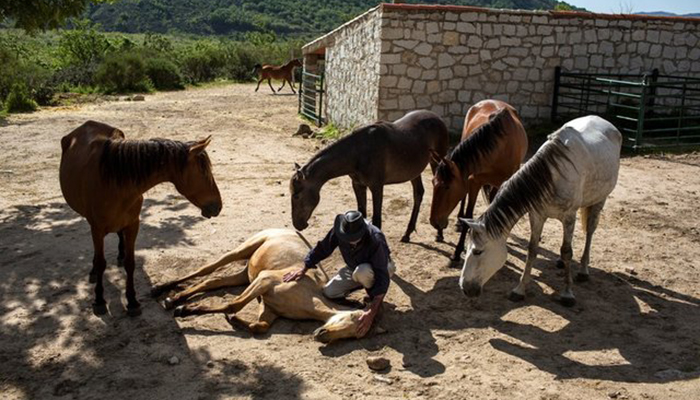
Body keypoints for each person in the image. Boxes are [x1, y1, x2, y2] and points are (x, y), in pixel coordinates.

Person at [284, 210, 395, 337]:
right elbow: (323, 247)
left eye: (355, 239)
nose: (351, 241)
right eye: (348, 238)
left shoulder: (376, 238)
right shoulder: (341, 230)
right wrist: (305, 267)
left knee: (363, 272)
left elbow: (381, 275)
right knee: (329, 292)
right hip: (354, 268)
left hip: (382, 267)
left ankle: (373, 300)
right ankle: (359, 295)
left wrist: (373, 309)